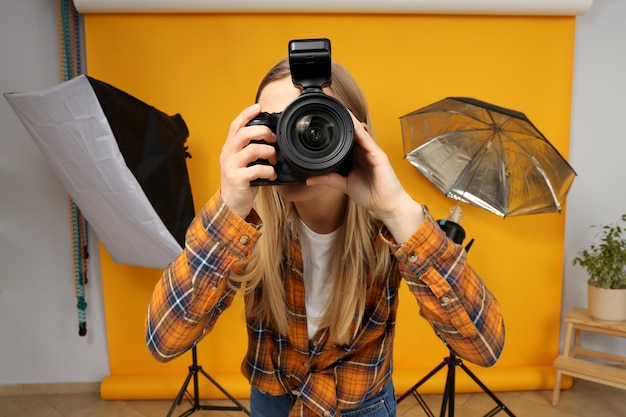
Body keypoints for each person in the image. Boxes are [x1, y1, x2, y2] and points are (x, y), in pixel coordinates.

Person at [145, 56, 505, 417]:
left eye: (313, 123)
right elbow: (164, 342)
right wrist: (229, 209)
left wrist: (398, 211)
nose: (296, 141)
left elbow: (484, 348)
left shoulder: (395, 225)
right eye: (279, 126)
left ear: (355, 134)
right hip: (272, 402)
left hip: (361, 406)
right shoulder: (244, 226)